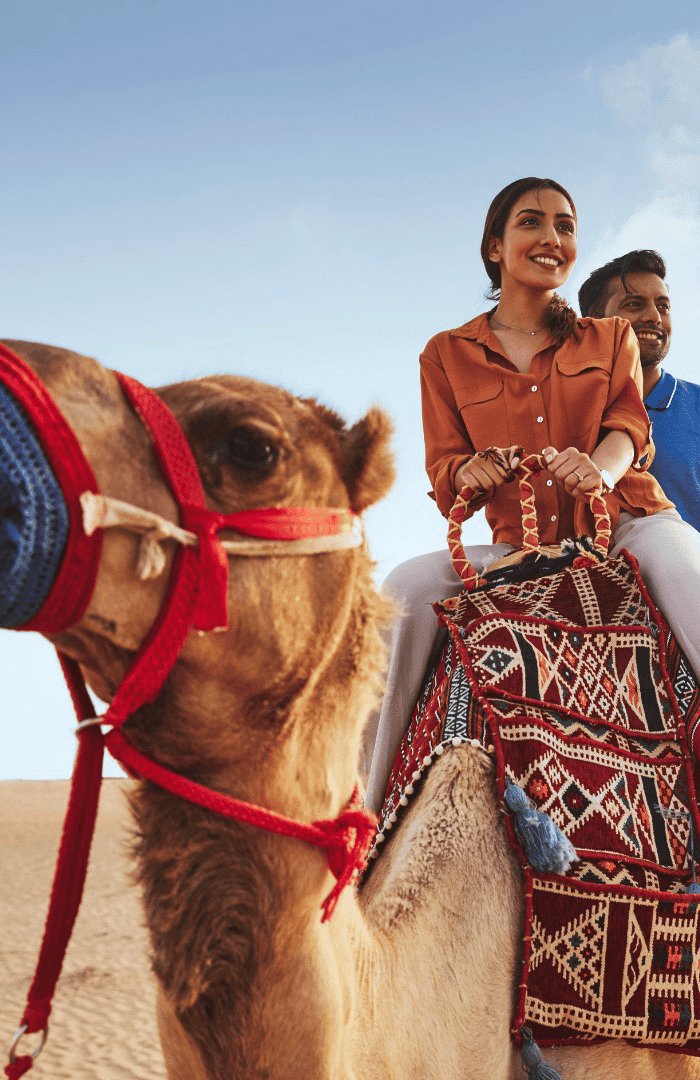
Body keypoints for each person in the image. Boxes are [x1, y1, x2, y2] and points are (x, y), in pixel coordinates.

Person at [364, 178, 700, 812]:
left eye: (566, 227)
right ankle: (361, 810)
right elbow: (445, 468)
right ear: (496, 246)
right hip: (518, 546)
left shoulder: (609, 339)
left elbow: (630, 428)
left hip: (626, 520)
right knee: (404, 590)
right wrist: (470, 474)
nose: (552, 238)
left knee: (685, 565)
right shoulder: (444, 355)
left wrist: (598, 471)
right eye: (532, 223)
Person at [578, 250, 700, 531]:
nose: (655, 317)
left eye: (663, 306)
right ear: (594, 322)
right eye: (634, 304)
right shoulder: (568, 409)